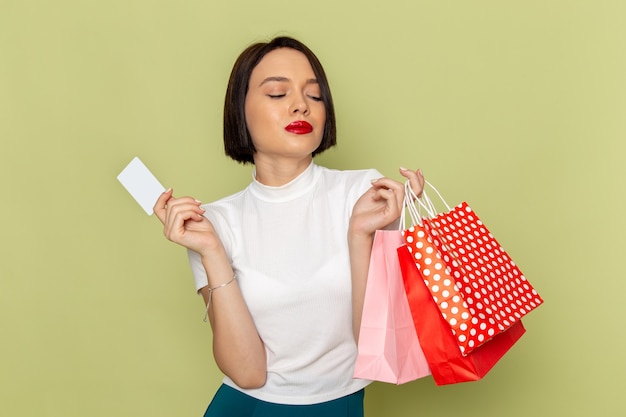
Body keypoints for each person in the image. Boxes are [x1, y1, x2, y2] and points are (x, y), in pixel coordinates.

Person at [154, 36, 424, 417]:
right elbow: (247, 373)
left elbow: (375, 347)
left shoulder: (364, 194)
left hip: (337, 406)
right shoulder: (213, 223)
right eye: (278, 93)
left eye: (314, 96)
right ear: (239, 111)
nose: (301, 105)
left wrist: (361, 236)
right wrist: (212, 252)